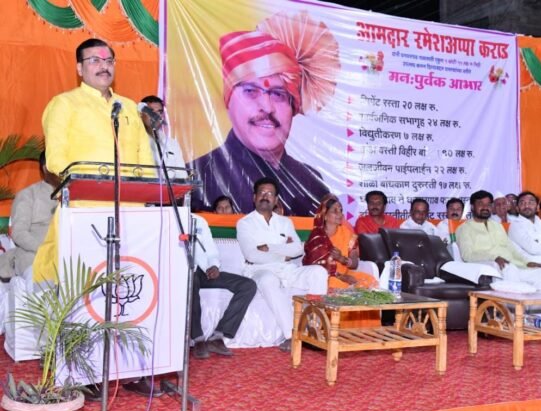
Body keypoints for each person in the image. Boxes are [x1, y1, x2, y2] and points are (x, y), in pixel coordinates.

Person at [191, 12, 339, 215]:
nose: (267, 107)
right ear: (228, 99)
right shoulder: (200, 175)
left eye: (278, 94)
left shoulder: (312, 183)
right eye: (251, 91)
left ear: (293, 106)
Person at [34, 38, 155, 282]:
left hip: (131, 214)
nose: (104, 66)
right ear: (79, 68)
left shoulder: (128, 107)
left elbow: (145, 159)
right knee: (83, 289)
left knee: (130, 287)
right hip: (84, 209)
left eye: (109, 61)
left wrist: (147, 191)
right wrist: (94, 183)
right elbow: (56, 158)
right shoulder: (64, 104)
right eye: (95, 60)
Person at [236, 177, 328, 352]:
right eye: (262, 192)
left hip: (287, 270)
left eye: (270, 194)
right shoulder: (244, 223)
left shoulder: (285, 222)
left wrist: (270, 247)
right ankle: (291, 335)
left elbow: (298, 249)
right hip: (259, 271)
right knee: (268, 280)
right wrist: (283, 255)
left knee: (319, 272)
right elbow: (252, 255)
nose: (265, 196)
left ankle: (312, 329)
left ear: (276, 200)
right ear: (254, 197)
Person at [456, 190, 541, 292]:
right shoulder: (464, 229)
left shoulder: (497, 226)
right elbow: (467, 255)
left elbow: (512, 249)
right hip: (493, 269)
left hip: (514, 266)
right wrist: (494, 257)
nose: (485, 207)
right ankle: (515, 302)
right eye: (481, 204)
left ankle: (536, 302)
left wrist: (527, 262)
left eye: (488, 204)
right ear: (472, 207)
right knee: (509, 269)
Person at [189, 215, 257, 359]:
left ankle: (218, 336)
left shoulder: (198, 221)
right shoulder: (166, 219)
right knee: (192, 279)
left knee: (248, 285)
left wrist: (214, 266)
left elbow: (211, 251)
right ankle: (197, 339)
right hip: (182, 273)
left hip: (203, 271)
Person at [0, 152, 60, 279]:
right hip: (34, 257)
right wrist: (45, 249)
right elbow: (19, 233)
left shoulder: (74, 196)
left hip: (68, 256)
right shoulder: (28, 195)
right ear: (46, 168)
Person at [303, 194, 377, 289]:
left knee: (369, 280)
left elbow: (355, 264)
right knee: (334, 284)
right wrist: (339, 276)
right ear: (325, 216)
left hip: (345, 273)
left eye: (341, 210)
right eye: (335, 211)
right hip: (323, 277)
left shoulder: (349, 235)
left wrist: (341, 258)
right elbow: (314, 268)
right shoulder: (317, 237)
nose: (340, 214)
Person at [139, 95, 186, 178]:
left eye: (159, 112)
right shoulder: (136, 141)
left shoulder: (172, 144)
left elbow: (182, 176)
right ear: (141, 114)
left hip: (170, 186)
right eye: (151, 111)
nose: (156, 115)